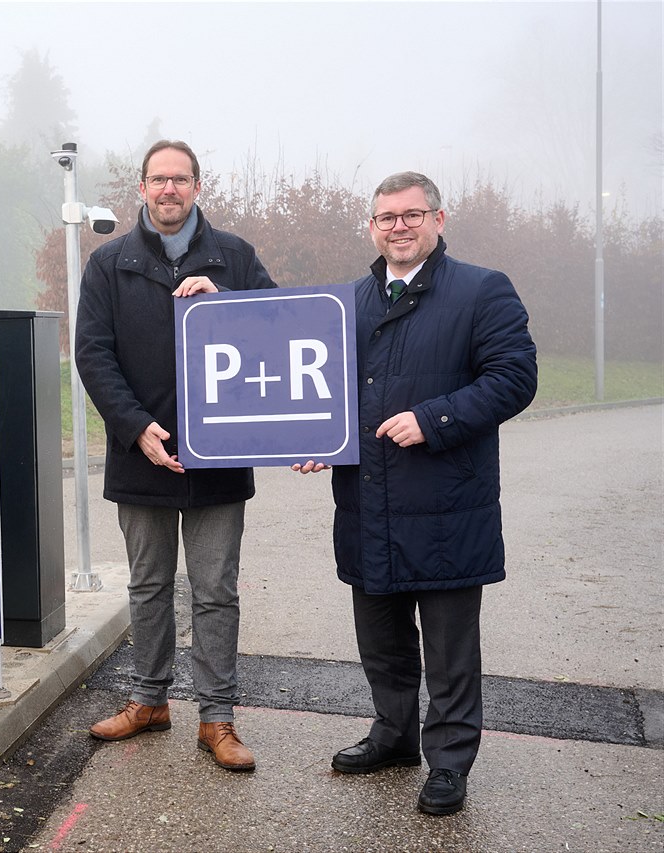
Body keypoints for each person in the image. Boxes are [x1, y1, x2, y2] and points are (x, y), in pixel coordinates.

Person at [294, 171, 537, 814]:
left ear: (438, 218)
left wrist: (432, 421)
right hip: (366, 503)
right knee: (382, 640)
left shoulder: (482, 290)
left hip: (447, 505)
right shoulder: (349, 300)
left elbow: (515, 379)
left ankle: (450, 762)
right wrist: (321, 436)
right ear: (372, 226)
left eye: (410, 215)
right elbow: (324, 387)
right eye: (385, 217)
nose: (397, 226)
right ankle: (394, 736)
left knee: (451, 648)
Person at [75, 140, 276, 772]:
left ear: (196, 186)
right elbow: (93, 354)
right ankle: (150, 702)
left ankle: (217, 718)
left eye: (180, 179)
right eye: (158, 179)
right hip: (142, 456)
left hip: (219, 457)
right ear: (141, 188)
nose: (169, 190)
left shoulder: (235, 257)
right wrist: (137, 428)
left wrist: (225, 301)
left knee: (216, 590)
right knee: (149, 585)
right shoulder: (108, 263)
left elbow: (278, 329)